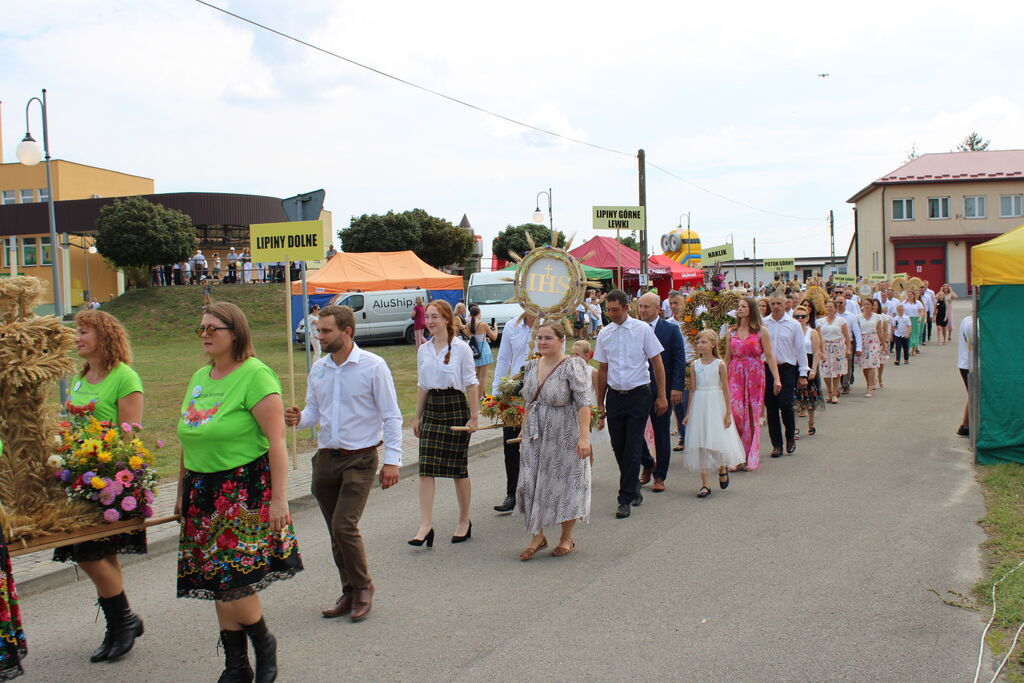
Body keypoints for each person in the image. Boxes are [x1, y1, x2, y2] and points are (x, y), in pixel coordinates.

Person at [175, 302, 302, 682]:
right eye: (202, 329)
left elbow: (276, 442)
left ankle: (264, 642)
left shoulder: (256, 375)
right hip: (201, 489)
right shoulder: (200, 376)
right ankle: (236, 664)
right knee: (216, 577)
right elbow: (188, 435)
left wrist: (280, 497)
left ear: (236, 332)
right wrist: (182, 490)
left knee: (234, 578)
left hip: (241, 489)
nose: (206, 335)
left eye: (214, 328)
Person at [285, 305, 402, 622]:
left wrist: (392, 460)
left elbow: (391, 416)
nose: (319, 336)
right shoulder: (320, 369)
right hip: (325, 460)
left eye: (325, 331)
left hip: (360, 460)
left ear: (346, 331)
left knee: (343, 526)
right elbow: (314, 413)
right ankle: (348, 591)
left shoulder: (372, 367)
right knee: (334, 530)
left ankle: (364, 588)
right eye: (318, 331)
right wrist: (297, 419)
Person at [59, 310, 146, 663]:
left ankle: (123, 621)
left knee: (89, 554)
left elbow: (130, 433)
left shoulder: (125, 377)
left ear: (104, 337)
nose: (77, 337)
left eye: (83, 332)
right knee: (101, 555)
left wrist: (104, 468)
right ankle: (120, 622)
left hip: (109, 480)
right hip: (77, 477)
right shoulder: (82, 376)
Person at [515, 322, 592, 560]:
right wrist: (522, 431)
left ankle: (566, 537)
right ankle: (537, 535)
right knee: (530, 483)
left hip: (564, 434)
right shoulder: (531, 366)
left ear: (561, 341)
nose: (542, 342)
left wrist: (584, 438)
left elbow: (584, 404)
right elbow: (529, 402)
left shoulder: (572, 366)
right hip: (534, 435)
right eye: (539, 338)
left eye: (548, 338)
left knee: (565, 484)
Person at [593, 289, 668, 519]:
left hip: (639, 394)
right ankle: (644, 468)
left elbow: (657, 362)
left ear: (627, 308)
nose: (611, 314)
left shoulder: (642, 329)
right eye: (609, 310)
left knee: (633, 445)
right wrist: (600, 404)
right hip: (615, 395)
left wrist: (661, 395)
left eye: (615, 310)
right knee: (619, 444)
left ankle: (624, 497)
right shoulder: (604, 333)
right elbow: (602, 369)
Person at [411, 300, 479, 545]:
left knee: (457, 469)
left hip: (455, 407)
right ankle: (425, 525)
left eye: (434, 317)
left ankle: (464, 520)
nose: (429, 322)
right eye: (427, 317)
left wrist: (474, 416)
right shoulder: (424, 349)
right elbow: (422, 385)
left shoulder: (461, 349)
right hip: (432, 408)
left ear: (447, 319)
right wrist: (417, 417)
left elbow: (471, 383)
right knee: (425, 469)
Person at [681, 330, 745, 497]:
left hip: (715, 403)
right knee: (701, 442)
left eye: (704, 342)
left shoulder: (720, 364)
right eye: (698, 342)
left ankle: (722, 466)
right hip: (700, 403)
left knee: (714, 440)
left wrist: (728, 412)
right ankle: (705, 484)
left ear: (713, 344)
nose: (700, 345)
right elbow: (693, 390)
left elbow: (725, 389)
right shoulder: (695, 365)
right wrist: (688, 413)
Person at [635, 293, 685, 493]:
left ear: (658, 308)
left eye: (647, 306)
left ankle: (659, 475)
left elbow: (678, 359)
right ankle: (648, 463)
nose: (643, 310)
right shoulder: (634, 329)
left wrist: (675, 387)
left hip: (661, 390)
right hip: (638, 389)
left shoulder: (671, 330)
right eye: (640, 306)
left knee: (661, 433)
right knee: (634, 432)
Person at [490, 309, 539, 513]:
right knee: (510, 443)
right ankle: (512, 493)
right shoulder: (512, 326)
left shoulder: (550, 323)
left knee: (537, 442)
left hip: (541, 387)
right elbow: (503, 360)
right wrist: (496, 393)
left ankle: (537, 492)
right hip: (515, 388)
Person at [725, 297, 780, 470]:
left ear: (751, 309)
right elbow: (727, 358)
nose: (739, 309)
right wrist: (719, 379)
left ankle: (749, 456)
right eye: (738, 306)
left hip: (755, 373)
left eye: (743, 306)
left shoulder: (761, 331)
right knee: (735, 413)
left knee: (751, 414)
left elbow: (769, 356)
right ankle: (737, 455)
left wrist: (777, 378)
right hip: (735, 374)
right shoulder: (731, 331)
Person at [762, 293, 809, 457]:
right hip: (767, 368)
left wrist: (803, 373)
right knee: (772, 408)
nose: (776, 306)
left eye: (779, 303)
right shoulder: (763, 323)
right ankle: (777, 445)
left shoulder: (793, 324)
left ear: (785, 304)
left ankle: (790, 436)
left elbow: (800, 349)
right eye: (773, 303)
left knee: (785, 404)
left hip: (787, 368)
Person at [667, 291, 696, 452]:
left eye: (676, 303)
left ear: (684, 302)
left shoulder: (692, 321)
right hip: (677, 366)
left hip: (692, 364)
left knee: (689, 402)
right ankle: (684, 437)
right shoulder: (669, 323)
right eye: (671, 304)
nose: (674, 307)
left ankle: (693, 436)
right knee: (677, 402)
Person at [793, 306, 824, 435]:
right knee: (795, 398)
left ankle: (811, 423)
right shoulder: (791, 332)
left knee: (810, 397)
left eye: (803, 316)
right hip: (795, 364)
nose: (800, 319)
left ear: (807, 318)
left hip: (809, 362)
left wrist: (814, 369)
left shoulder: (812, 333)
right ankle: (794, 427)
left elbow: (816, 352)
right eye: (797, 317)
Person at [817, 299, 849, 404]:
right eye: (827, 307)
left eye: (831, 307)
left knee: (836, 371)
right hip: (825, 347)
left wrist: (848, 348)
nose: (829, 309)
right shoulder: (820, 321)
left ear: (835, 309)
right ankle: (829, 391)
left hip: (838, 347)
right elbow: (818, 337)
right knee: (826, 370)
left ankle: (835, 393)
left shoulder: (841, 321)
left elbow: (847, 336)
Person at [855, 299, 883, 397]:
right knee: (865, 366)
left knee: (871, 364)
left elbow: (879, 331)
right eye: (864, 304)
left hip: (873, 340)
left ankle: (870, 387)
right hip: (862, 340)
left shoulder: (877, 317)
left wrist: (883, 343)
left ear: (872, 306)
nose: (866, 306)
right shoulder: (858, 317)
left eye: (868, 304)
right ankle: (868, 382)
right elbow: (856, 331)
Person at [467, 304, 497, 391]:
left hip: (474, 350)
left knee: (476, 376)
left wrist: (484, 338)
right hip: (483, 350)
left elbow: (472, 338)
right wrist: (495, 328)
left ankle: (479, 395)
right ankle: (479, 397)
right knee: (482, 378)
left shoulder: (468, 324)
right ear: (479, 313)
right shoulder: (483, 324)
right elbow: (494, 337)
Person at [836, 295, 861, 394]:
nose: (839, 305)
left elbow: (856, 331)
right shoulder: (833, 316)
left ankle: (845, 385)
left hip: (848, 343)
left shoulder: (851, 317)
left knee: (847, 364)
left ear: (845, 304)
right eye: (837, 303)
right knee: (837, 364)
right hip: (836, 343)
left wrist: (859, 347)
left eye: (841, 303)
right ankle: (837, 384)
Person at [957, 314, 973, 437]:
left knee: (972, 395)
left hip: (967, 363)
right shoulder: (970, 323)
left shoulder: (968, 320)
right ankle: (965, 425)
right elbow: (975, 342)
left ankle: (964, 426)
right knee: (973, 395)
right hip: (968, 365)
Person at [871, 299, 891, 388]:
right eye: (872, 305)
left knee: (881, 362)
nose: (873, 307)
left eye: (875, 305)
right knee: (872, 361)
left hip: (881, 341)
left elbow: (886, 330)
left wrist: (885, 342)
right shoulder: (868, 316)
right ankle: (873, 379)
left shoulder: (883, 317)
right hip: (871, 341)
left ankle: (880, 376)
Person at [904, 290, 924, 356]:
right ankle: (908, 349)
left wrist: (920, 318)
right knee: (908, 334)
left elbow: (921, 311)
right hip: (907, 319)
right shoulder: (904, 302)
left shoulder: (918, 303)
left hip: (915, 320)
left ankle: (913, 350)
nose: (909, 296)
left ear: (913, 295)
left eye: (911, 294)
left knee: (915, 334)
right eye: (908, 294)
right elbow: (900, 308)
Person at [921, 280, 936, 344]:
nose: (925, 286)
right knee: (923, 325)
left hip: (927, 311)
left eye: (926, 284)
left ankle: (929, 335)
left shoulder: (931, 292)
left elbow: (932, 303)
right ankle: (922, 338)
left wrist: (932, 314)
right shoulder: (919, 293)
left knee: (929, 324)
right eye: (924, 284)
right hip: (921, 312)